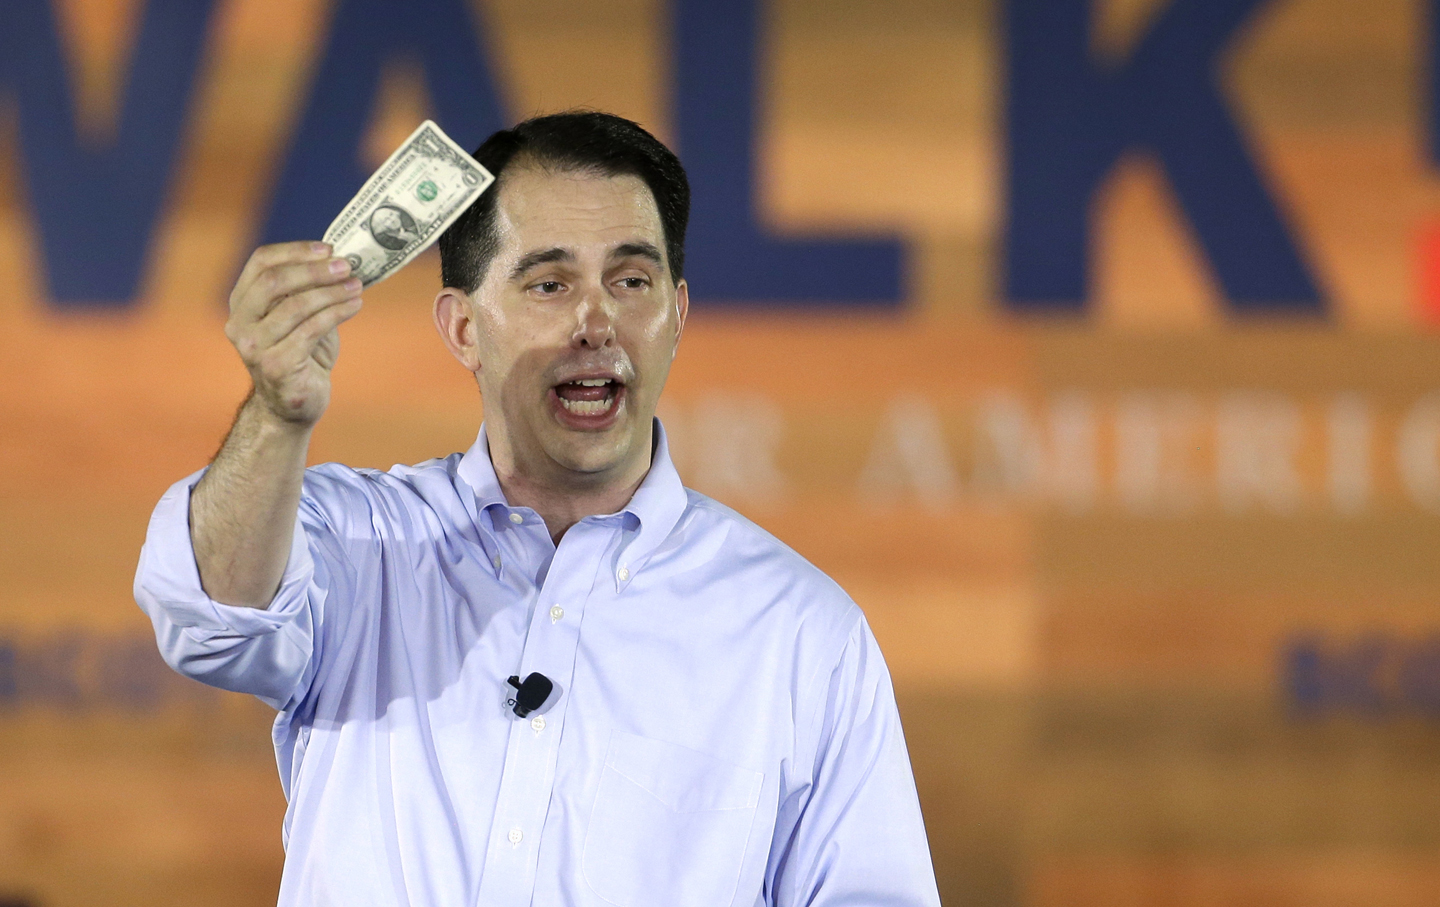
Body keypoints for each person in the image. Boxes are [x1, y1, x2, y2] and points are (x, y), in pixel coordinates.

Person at [134, 111, 940, 906]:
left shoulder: (800, 633)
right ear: (462, 328)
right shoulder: (360, 545)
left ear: (679, 315)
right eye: (550, 283)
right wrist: (275, 415)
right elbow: (211, 618)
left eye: (631, 281)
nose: (597, 323)